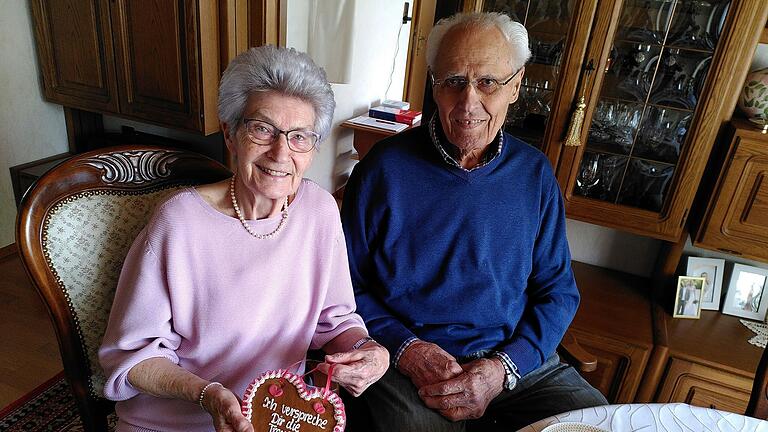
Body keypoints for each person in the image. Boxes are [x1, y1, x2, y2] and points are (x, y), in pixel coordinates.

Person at [98, 46, 389, 432]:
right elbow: (133, 358)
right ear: (231, 135)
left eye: (299, 136)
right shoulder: (179, 223)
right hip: (178, 420)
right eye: (262, 129)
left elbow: (335, 321)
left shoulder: (319, 211)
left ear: (313, 148)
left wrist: (365, 351)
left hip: (278, 416)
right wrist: (210, 395)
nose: (280, 152)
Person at [341, 12, 607, 432]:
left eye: (488, 82)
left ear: (516, 86)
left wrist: (506, 366)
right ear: (434, 85)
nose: (468, 104)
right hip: (410, 356)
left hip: (509, 357)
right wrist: (407, 349)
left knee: (598, 425)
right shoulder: (382, 171)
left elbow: (557, 291)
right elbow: (344, 288)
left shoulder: (535, 174)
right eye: (453, 82)